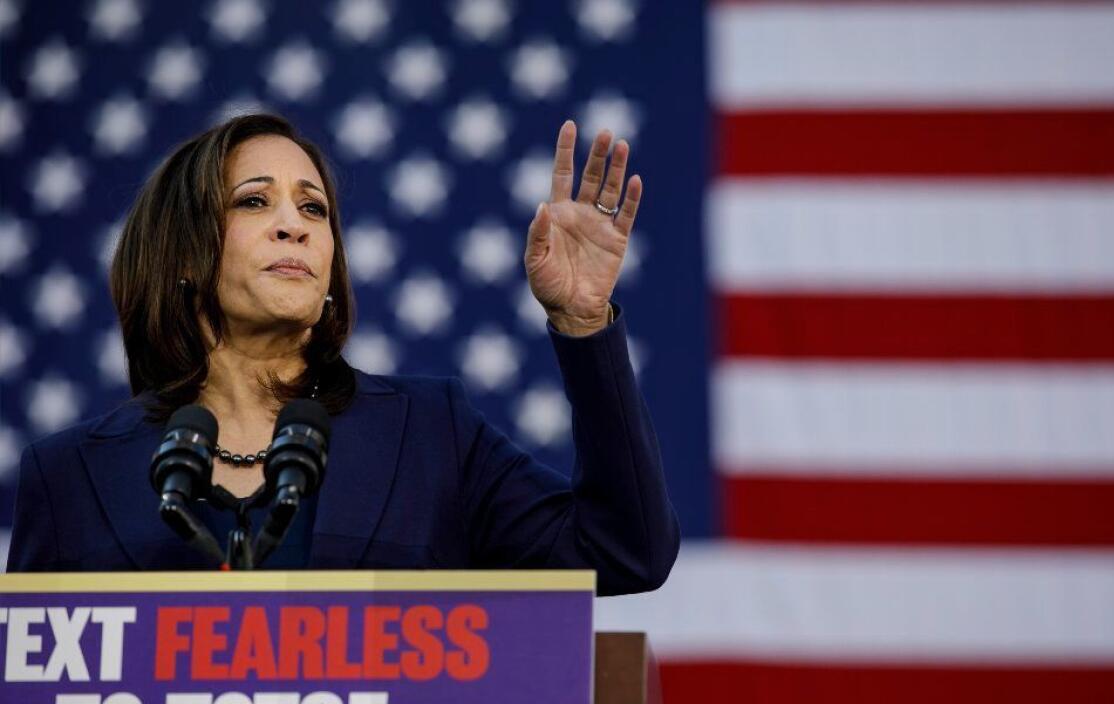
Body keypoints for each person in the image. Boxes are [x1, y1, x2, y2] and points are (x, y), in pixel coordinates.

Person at [6, 113, 680, 596]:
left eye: (314, 209)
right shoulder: (69, 478)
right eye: (254, 201)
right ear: (182, 254)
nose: (293, 224)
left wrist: (582, 320)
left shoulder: (429, 435)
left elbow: (624, 551)